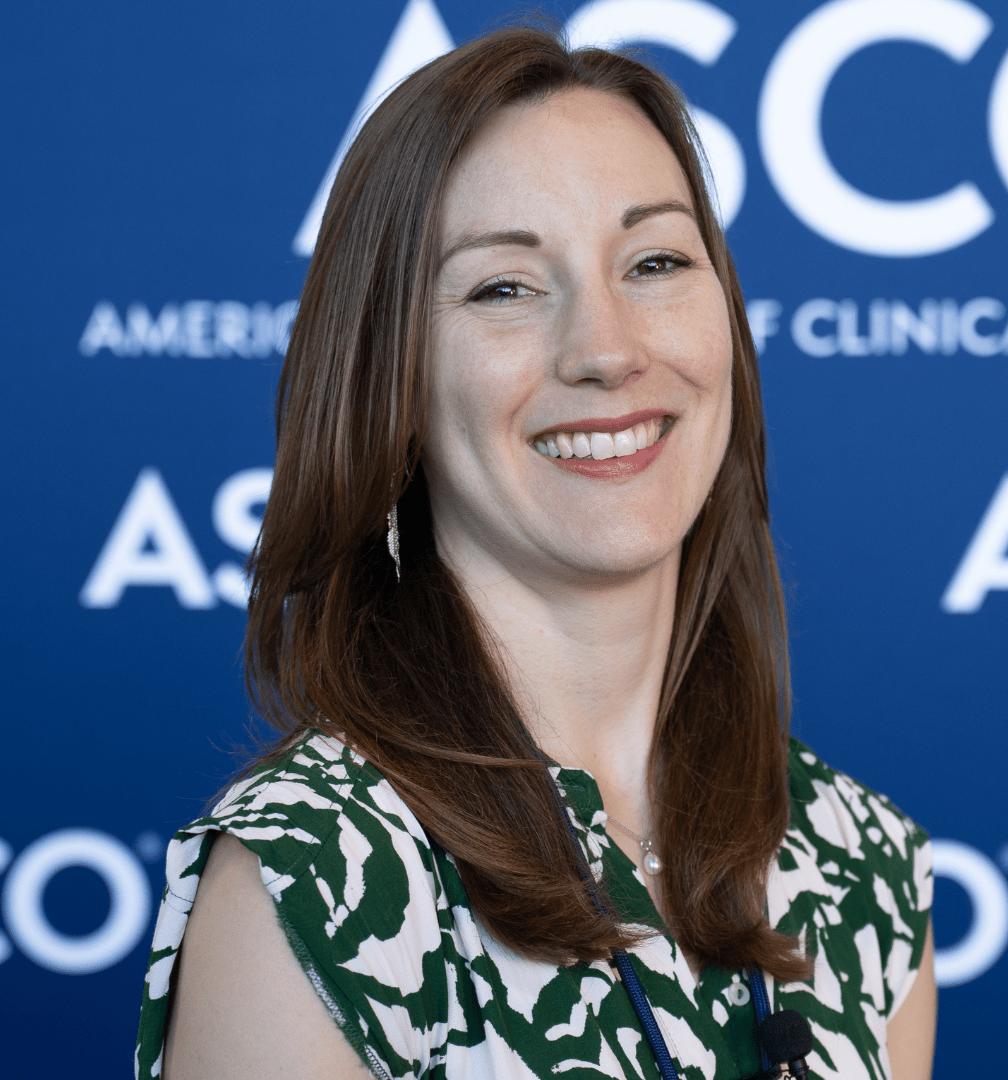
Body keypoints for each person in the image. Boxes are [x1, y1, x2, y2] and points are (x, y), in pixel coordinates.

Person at [136, 26, 935, 1080]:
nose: (605, 349)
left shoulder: (865, 860)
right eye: (504, 287)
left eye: (654, 262)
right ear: (395, 381)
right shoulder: (315, 877)